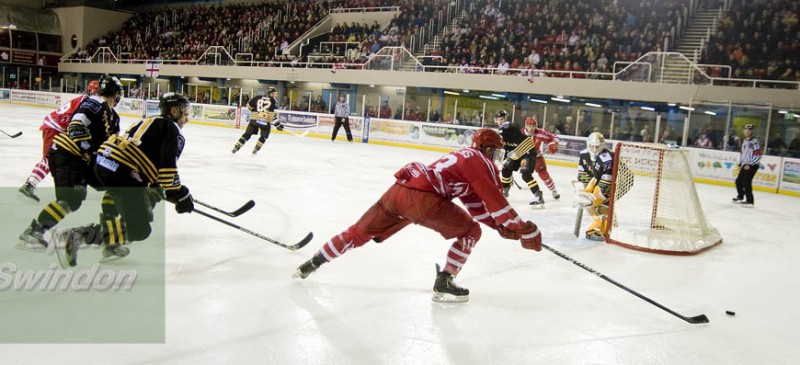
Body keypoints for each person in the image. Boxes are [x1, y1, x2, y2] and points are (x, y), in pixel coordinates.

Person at [292, 129, 542, 303]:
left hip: (399, 191)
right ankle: (445, 280)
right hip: (424, 200)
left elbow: (478, 208)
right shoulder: (480, 161)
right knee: (471, 232)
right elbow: (496, 204)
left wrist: (499, 227)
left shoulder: (460, 157)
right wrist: (521, 227)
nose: (495, 157)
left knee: (357, 233)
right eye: (495, 152)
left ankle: (313, 262)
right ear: (488, 148)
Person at [54, 93, 195, 268]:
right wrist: (180, 194)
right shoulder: (173, 131)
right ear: (174, 110)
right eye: (185, 112)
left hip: (104, 164)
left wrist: (162, 189)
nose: (187, 119)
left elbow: (155, 172)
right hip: (124, 172)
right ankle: (78, 236)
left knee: (133, 208)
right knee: (140, 229)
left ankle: (111, 245)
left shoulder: (147, 121)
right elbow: (167, 172)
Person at [18, 75, 123, 249]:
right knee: (72, 199)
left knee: (114, 185)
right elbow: (75, 127)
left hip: (81, 160)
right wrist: (91, 150)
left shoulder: (114, 117)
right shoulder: (94, 103)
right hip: (67, 155)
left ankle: (108, 238)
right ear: (116, 93)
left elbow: (110, 145)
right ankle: (34, 231)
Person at [18, 80, 99, 202]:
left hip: (57, 127)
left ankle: (30, 184)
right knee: (50, 157)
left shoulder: (86, 100)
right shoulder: (87, 102)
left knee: (53, 158)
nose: (98, 93)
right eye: (96, 90)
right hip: (54, 127)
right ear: (90, 90)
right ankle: (29, 185)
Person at [494, 109, 545, 206]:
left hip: (527, 149)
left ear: (506, 119)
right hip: (517, 152)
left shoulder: (508, 125)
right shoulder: (502, 135)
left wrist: (496, 136)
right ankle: (505, 190)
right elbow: (506, 151)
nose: (501, 121)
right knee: (506, 168)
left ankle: (538, 195)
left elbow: (507, 128)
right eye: (499, 119)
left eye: (502, 119)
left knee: (525, 174)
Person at [576, 132, 614, 241]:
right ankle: (604, 227)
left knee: (596, 203)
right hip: (597, 179)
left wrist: (592, 196)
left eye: (597, 147)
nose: (594, 149)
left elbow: (606, 183)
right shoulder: (584, 154)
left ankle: (602, 226)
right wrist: (583, 190)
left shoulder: (607, 158)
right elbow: (583, 175)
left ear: (602, 145)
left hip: (617, 182)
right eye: (591, 146)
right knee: (592, 202)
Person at [231, 87, 284, 155]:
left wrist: (254, 111)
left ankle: (236, 147)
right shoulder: (273, 101)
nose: (276, 95)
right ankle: (256, 148)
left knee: (247, 134)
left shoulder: (257, 97)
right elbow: (271, 115)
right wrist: (278, 124)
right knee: (264, 136)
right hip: (265, 122)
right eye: (275, 93)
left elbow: (248, 105)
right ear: (271, 94)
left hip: (254, 120)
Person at [523, 116, 560, 200]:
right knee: (512, 167)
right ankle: (507, 184)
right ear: (525, 126)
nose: (531, 128)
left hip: (537, 157)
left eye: (533, 126)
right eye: (529, 126)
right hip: (524, 158)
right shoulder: (520, 133)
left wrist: (553, 144)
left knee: (544, 175)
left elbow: (555, 138)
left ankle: (553, 190)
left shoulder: (540, 133)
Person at [733, 124, 761, 207]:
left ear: (751, 132)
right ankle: (740, 196)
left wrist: (751, 164)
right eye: (745, 130)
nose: (747, 132)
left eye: (749, 130)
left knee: (746, 182)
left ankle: (750, 201)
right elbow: (743, 153)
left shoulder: (754, 142)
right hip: (745, 164)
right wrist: (741, 163)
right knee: (738, 181)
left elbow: (758, 155)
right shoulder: (744, 141)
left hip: (753, 165)